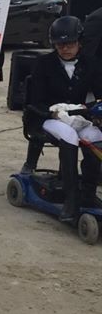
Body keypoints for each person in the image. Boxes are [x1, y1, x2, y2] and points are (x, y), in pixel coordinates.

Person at [27, 15, 102, 222]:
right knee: (68, 135)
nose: (65, 49)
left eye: (69, 44)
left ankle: (88, 192)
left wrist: (96, 113)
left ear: (79, 42)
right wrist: (54, 113)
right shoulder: (44, 63)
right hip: (50, 118)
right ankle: (71, 199)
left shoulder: (90, 63)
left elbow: (99, 93)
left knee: (95, 135)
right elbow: (35, 101)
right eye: (60, 45)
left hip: (79, 117)